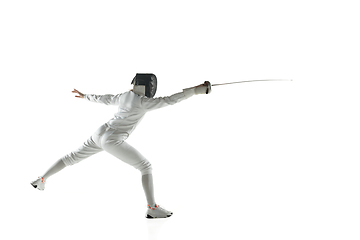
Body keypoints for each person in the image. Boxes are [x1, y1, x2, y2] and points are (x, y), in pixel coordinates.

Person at [31, 73, 211, 219]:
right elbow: (171, 99)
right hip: (112, 139)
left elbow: (104, 98)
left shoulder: (124, 96)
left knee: (71, 157)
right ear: (149, 87)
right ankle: (152, 207)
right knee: (145, 166)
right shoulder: (144, 102)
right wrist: (197, 91)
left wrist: (85, 96)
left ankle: (41, 179)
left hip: (99, 133)